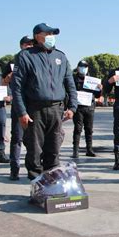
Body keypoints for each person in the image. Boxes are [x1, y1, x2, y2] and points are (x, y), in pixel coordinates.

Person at [12, 23, 77, 180]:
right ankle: (36, 186)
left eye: (53, 34)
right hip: (35, 110)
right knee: (34, 151)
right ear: (37, 36)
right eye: (47, 34)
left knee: (54, 150)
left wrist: (72, 107)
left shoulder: (60, 56)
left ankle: (51, 187)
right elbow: (17, 87)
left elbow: (70, 83)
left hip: (56, 110)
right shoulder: (26, 56)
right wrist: (22, 112)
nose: (51, 37)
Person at [1, 36, 34, 180]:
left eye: (32, 44)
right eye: (27, 44)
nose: (29, 46)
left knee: (34, 140)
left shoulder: (36, 59)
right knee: (17, 138)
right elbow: (2, 83)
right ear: (21, 46)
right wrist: (8, 78)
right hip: (19, 105)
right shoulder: (12, 62)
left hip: (34, 104)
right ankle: (14, 169)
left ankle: (33, 168)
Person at [72, 60, 102, 159]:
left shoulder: (92, 80)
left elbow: (97, 95)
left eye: (85, 66)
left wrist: (100, 88)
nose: (83, 68)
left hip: (90, 108)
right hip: (78, 108)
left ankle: (89, 149)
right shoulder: (73, 79)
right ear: (78, 67)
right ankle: (75, 150)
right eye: (81, 66)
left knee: (89, 130)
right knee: (78, 129)